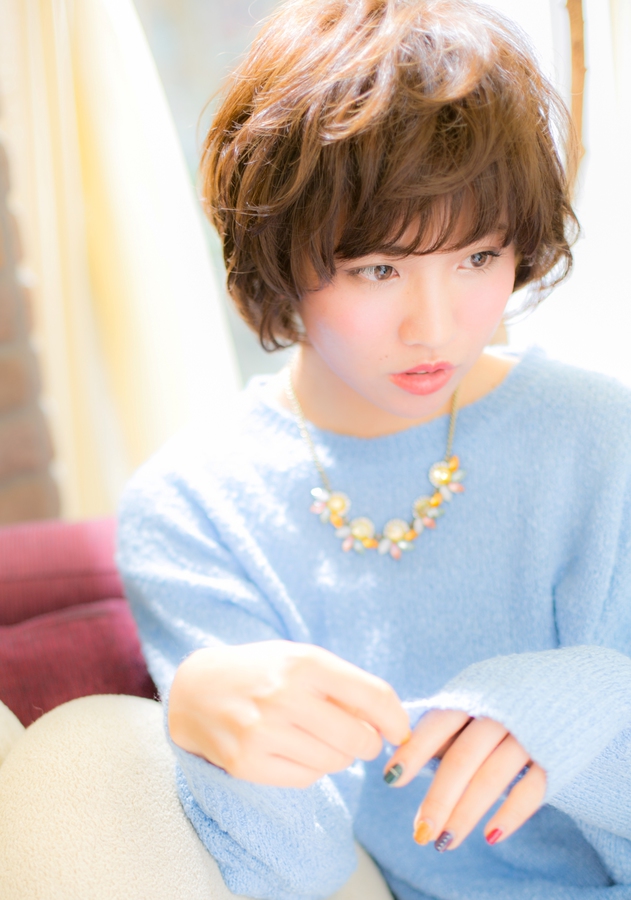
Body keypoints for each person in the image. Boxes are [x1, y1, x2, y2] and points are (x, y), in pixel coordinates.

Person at [117, 1, 631, 898]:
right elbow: (293, 875)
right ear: (280, 254)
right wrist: (201, 726)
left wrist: (592, 701)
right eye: (378, 269)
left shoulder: (597, 440)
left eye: (478, 257)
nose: (435, 326)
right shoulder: (192, 506)